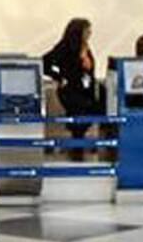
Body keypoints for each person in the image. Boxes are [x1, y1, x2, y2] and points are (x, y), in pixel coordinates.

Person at [43, 18, 104, 161]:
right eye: (87, 30)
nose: (90, 33)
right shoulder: (65, 47)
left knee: (94, 110)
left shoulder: (85, 47)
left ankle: (79, 146)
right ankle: (77, 149)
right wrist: (59, 77)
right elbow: (45, 62)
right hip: (71, 91)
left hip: (86, 89)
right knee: (79, 115)